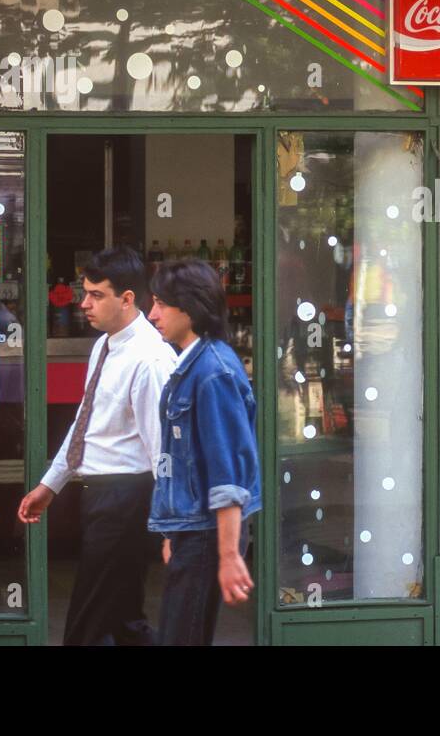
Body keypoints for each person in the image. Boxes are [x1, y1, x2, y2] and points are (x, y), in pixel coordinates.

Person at [17, 247, 176, 646]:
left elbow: (165, 451)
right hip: (104, 497)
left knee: (85, 627)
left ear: (127, 299)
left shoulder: (150, 359)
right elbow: (86, 423)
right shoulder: (105, 345)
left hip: (126, 499)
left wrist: (174, 526)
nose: (84, 303)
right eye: (84, 292)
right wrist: (49, 485)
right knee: (125, 622)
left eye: (96, 295)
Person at [146, 259, 261, 646]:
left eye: (161, 303)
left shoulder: (212, 372)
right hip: (192, 530)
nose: (152, 313)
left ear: (191, 308)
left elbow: (226, 472)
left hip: (205, 535)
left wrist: (229, 555)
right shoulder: (194, 364)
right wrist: (171, 531)